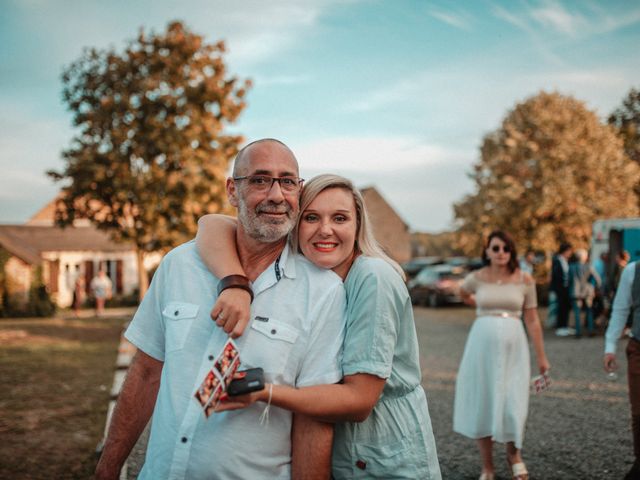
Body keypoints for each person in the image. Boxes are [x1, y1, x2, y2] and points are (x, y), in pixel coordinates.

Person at [95, 139, 348, 479]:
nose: (276, 195)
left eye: (288, 181)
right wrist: (107, 469)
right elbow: (145, 372)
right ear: (232, 190)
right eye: (260, 180)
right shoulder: (179, 265)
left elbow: (313, 420)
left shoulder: (322, 291)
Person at [196, 174, 442, 479]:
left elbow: (359, 401)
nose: (325, 230)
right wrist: (235, 283)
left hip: (382, 451)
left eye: (340, 218)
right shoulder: (313, 280)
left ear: (358, 225)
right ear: (296, 225)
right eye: (312, 217)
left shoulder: (372, 277)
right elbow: (210, 224)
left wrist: (263, 392)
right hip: (339, 449)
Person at [453, 230, 550, 480]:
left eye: (506, 249)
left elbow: (533, 320)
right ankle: (487, 466)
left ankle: (514, 454)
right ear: (487, 251)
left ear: (512, 252)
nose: (501, 253)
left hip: (514, 347)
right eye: (496, 248)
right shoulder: (476, 278)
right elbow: (463, 293)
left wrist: (542, 357)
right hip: (480, 346)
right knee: (483, 398)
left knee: (513, 399)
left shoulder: (524, 279)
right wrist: (480, 306)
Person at [604, 260, 640, 480]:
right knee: (639, 411)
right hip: (639, 348)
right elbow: (619, 310)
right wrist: (610, 347)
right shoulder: (632, 271)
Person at [569, 249, 601, 338]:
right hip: (587, 292)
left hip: (576, 291)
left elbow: (569, 280)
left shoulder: (571, 267)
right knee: (589, 311)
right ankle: (590, 330)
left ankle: (578, 332)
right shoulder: (589, 266)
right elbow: (598, 279)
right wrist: (595, 288)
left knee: (577, 312)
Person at [551, 242, 573, 336]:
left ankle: (565, 326)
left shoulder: (566, 261)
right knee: (561, 307)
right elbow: (556, 275)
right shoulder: (557, 260)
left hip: (566, 287)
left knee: (566, 307)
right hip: (560, 288)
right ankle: (560, 327)